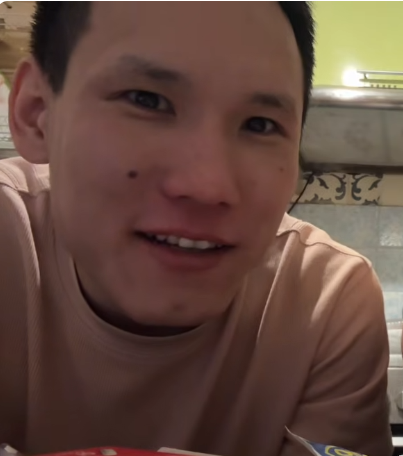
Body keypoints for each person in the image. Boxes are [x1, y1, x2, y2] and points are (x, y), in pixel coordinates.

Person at [0, 2, 392, 456]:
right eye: (146, 100)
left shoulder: (327, 303)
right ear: (35, 113)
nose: (209, 186)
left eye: (260, 124)